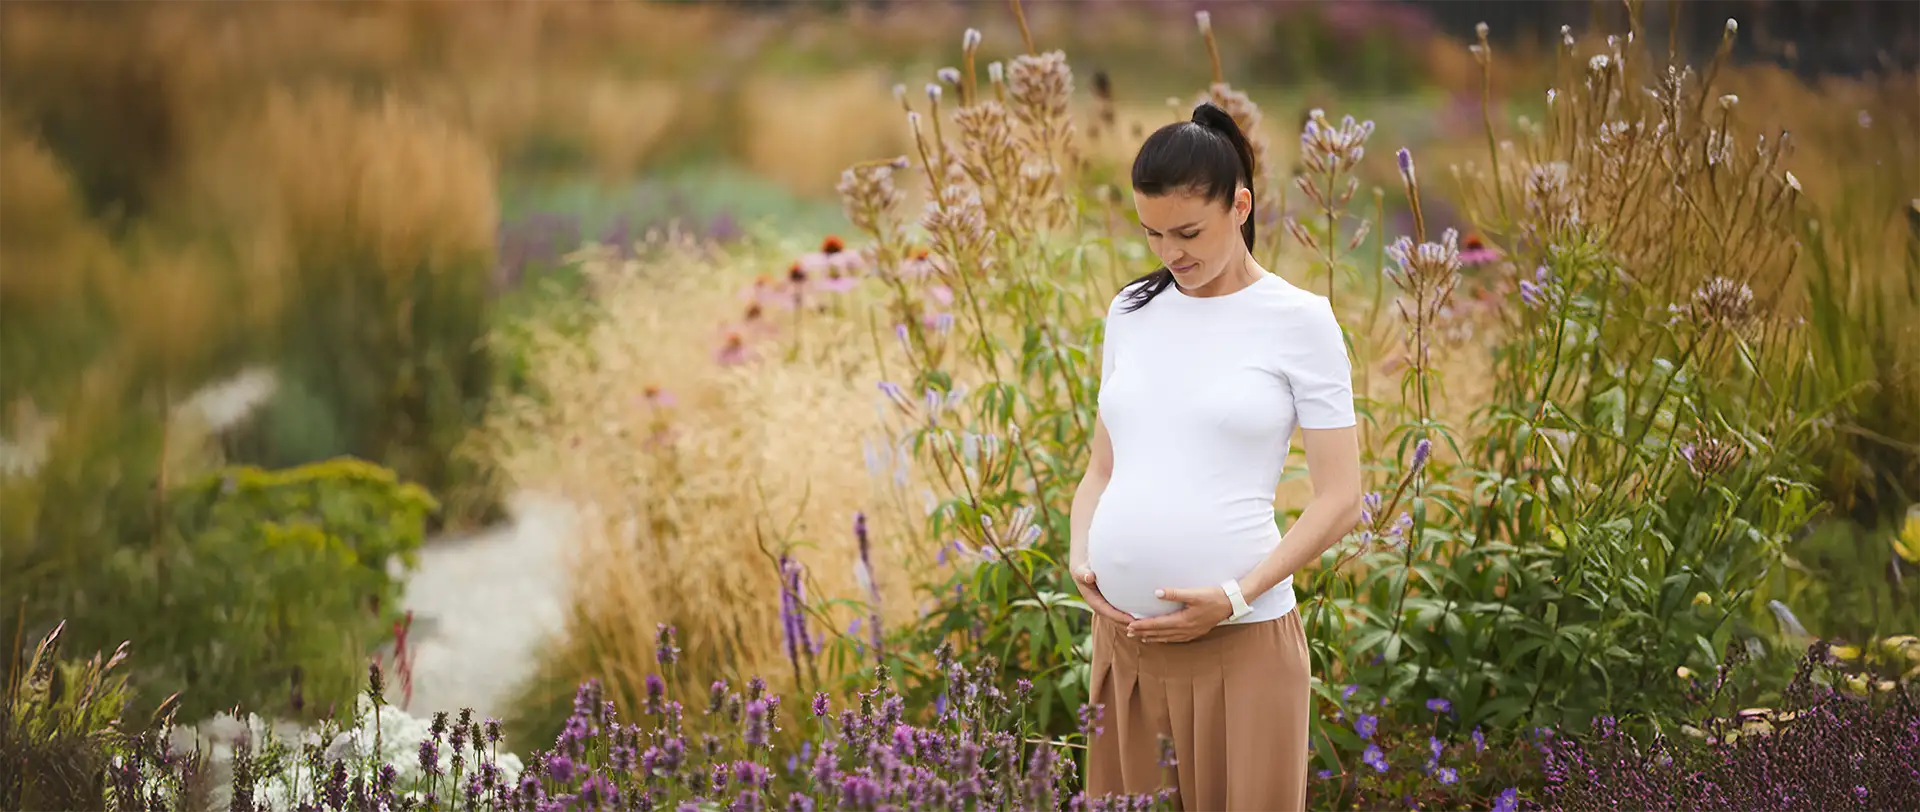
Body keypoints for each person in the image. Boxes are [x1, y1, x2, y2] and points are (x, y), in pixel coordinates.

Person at [1072, 101, 1364, 811]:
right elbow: (1102, 466)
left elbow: (1340, 498)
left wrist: (1235, 597)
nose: (1171, 254)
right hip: (1126, 651)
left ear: (1241, 206)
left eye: (1189, 232)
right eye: (1152, 233)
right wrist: (1081, 556)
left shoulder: (1299, 320)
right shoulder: (1131, 312)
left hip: (1242, 648)